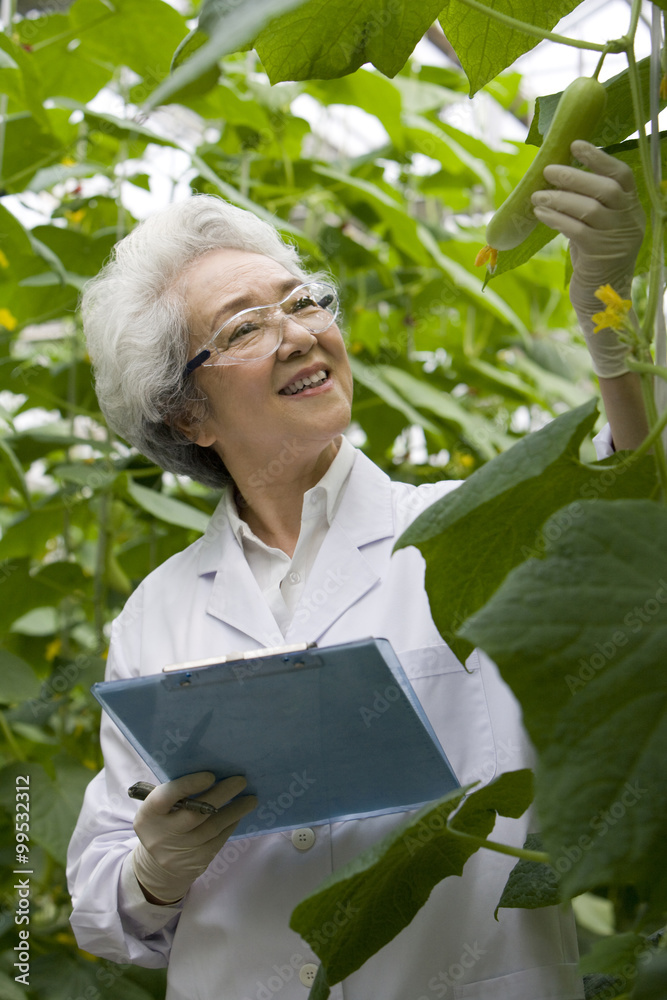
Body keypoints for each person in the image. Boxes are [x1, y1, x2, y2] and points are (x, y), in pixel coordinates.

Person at [66, 141, 647, 1000]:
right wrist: (154, 868)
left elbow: (638, 500)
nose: (299, 333)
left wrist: (612, 310)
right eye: (245, 327)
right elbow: (104, 915)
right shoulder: (157, 618)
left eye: (303, 303)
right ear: (188, 416)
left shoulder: (475, 521)